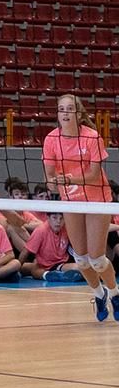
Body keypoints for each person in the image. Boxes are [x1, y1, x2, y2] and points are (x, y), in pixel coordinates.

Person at [42, 94, 119, 321]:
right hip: (71, 201)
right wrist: (54, 183)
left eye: (69, 109)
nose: (64, 113)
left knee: (97, 259)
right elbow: (48, 178)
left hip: (96, 199)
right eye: (61, 109)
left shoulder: (92, 138)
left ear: (78, 114)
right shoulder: (51, 140)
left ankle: (114, 292)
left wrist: (68, 180)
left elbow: (94, 176)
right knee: (82, 260)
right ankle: (98, 294)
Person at [18, 212, 83, 281]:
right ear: (48, 218)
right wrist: (17, 270)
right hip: (44, 265)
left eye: (61, 218)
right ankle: (49, 275)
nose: (58, 221)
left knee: (82, 267)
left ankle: (58, 274)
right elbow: (25, 252)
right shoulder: (40, 231)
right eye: (55, 218)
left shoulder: (66, 228)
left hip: (62, 263)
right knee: (32, 270)